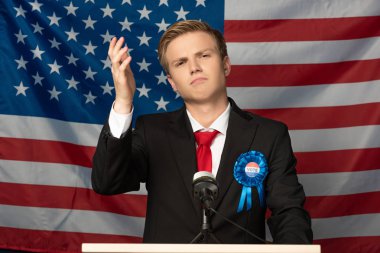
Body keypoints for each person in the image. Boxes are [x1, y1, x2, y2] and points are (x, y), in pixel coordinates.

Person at [92, 20, 313, 244]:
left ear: (226, 64)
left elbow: (289, 213)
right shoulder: (151, 131)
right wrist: (123, 100)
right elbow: (107, 182)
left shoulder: (270, 135)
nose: (194, 67)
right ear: (172, 83)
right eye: (180, 62)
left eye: (204, 56)